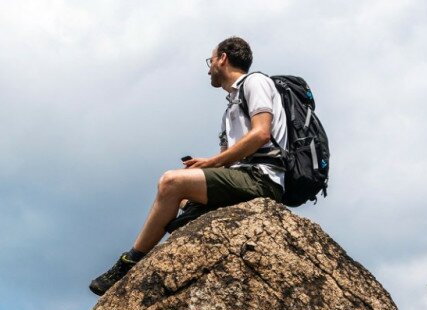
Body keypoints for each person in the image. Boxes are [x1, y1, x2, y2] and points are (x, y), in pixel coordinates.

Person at [89, 36, 288, 296]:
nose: (208, 69)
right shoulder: (231, 107)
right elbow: (227, 163)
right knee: (177, 201)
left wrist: (211, 163)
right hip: (243, 177)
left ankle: (129, 262)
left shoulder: (256, 82)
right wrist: (203, 171)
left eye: (211, 61)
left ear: (222, 59)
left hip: (262, 179)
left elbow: (261, 133)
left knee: (170, 183)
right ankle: (191, 217)